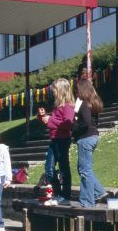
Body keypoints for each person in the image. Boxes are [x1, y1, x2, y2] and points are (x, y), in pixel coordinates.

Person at [38, 78, 75, 205]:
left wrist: (51, 120)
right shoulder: (57, 106)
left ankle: (66, 196)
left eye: (54, 89)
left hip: (63, 140)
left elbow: (68, 124)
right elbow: (53, 123)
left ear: (61, 90)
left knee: (64, 168)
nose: (52, 91)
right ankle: (57, 194)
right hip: (54, 140)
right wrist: (43, 117)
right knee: (49, 168)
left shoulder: (68, 106)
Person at [72, 79, 108, 208]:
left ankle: (87, 201)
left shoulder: (84, 104)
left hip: (85, 138)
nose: (75, 92)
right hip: (92, 136)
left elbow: (85, 123)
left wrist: (73, 128)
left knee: (84, 170)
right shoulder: (94, 102)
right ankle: (99, 192)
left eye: (76, 90)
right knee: (83, 168)